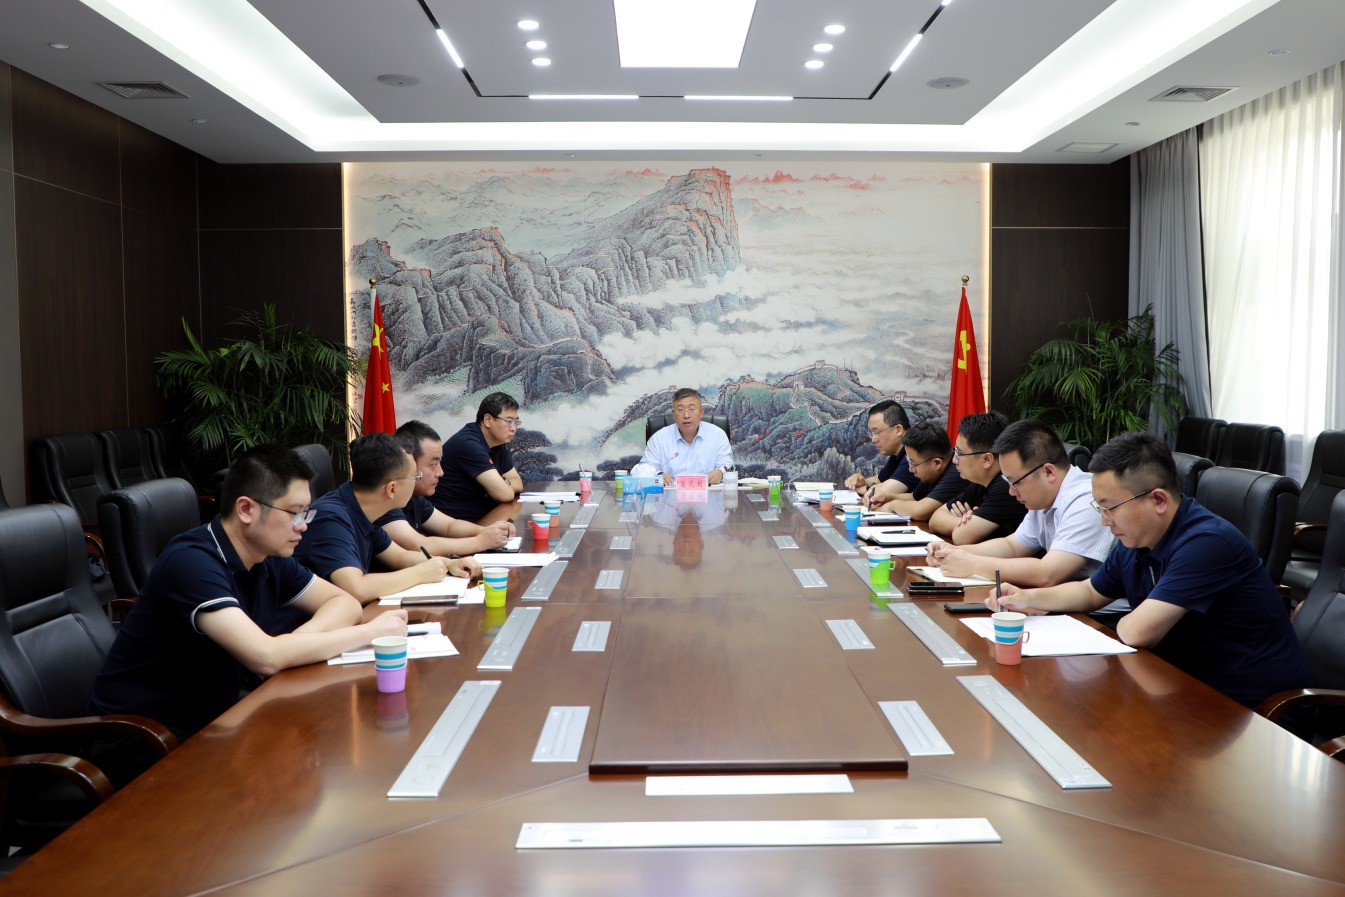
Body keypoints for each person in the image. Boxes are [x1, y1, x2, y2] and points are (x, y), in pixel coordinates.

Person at [89, 445, 410, 741]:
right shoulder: (191, 562)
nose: (303, 526)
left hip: (217, 720)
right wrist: (371, 633)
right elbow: (265, 658)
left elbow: (345, 602)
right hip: (144, 739)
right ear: (246, 509)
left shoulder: (267, 554)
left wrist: (296, 643)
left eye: (306, 513)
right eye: (295, 513)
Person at [989, 431, 1310, 708]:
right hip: (1182, 688)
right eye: (1099, 508)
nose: (1104, 521)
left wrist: (1114, 624)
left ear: (1158, 500)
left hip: (1250, 710)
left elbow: (1136, 632)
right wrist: (1027, 598)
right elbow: (1090, 592)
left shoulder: (1207, 543)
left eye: (1110, 508)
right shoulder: (1137, 538)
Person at [926, 419, 1115, 591]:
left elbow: (1047, 574)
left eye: (1015, 482)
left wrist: (973, 564)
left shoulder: (1085, 501)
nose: (1011, 491)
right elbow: (1012, 546)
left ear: (1048, 472)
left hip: (1099, 613)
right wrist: (952, 551)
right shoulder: (1043, 498)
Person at [296, 433, 478, 605]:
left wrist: (448, 563)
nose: (416, 482)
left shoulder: (365, 508)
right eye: (415, 477)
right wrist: (419, 574)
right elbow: (356, 588)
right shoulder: (331, 519)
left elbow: (400, 557)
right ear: (392, 488)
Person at [377, 420, 516, 557]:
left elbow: (450, 526)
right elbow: (420, 545)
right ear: (408, 462)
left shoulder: (414, 497)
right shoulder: (387, 501)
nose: (440, 472)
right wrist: (480, 541)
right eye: (433, 465)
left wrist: (489, 531)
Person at [929, 411, 1027, 542]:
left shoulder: (1007, 486)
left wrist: (970, 524)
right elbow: (935, 519)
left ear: (987, 459)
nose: (954, 460)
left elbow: (961, 537)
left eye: (959, 453)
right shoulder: (980, 483)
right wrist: (967, 522)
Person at [431, 392, 525, 524]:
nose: (514, 428)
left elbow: (518, 482)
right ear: (488, 420)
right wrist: (501, 487)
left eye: (516, 422)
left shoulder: (497, 443)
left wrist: (502, 483)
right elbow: (505, 495)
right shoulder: (468, 444)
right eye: (508, 421)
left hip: (481, 517)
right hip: (454, 523)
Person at [869, 421, 965, 521]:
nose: (910, 470)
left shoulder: (958, 471)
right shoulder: (931, 471)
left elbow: (920, 511)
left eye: (913, 464)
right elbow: (913, 497)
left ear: (937, 463)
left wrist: (891, 505)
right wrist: (887, 497)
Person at [637, 388, 734, 486]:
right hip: (670, 494)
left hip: (709, 493)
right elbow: (645, 468)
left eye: (691, 409)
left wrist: (720, 473)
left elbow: (728, 465)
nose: (686, 415)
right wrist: (658, 475)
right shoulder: (659, 438)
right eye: (680, 410)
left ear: (701, 412)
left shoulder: (718, 435)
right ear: (673, 414)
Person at [846, 400, 921, 506]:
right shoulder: (897, 453)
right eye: (872, 433)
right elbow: (880, 479)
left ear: (898, 430)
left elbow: (883, 491)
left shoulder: (915, 453)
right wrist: (859, 481)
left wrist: (859, 488)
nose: (873, 439)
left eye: (876, 432)